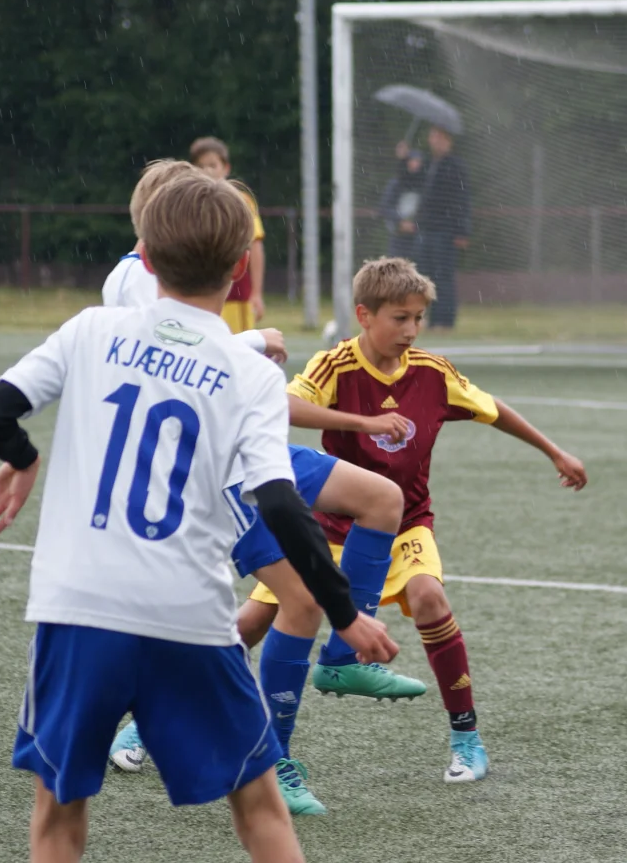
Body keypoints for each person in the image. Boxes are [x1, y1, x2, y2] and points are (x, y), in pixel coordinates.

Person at [0, 163, 397, 863]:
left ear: (146, 251)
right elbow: (280, 503)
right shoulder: (248, 372)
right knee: (260, 810)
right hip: (187, 616)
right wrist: (345, 616)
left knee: (59, 818)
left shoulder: (90, 330)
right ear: (239, 266)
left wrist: (21, 455)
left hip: (79, 609)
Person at [101, 160, 424, 816]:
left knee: (381, 501)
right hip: (218, 469)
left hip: (259, 447)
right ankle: (269, 760)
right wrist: (254, 339)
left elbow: (234, 379)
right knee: (296, 602)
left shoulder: (182, 280)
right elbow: (171, 364)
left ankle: (339, 656)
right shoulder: (137, 280)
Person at [248, 256, 588, 783]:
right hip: (330, 529)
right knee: (251, 623)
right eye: (398, 318)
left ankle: (467, 738)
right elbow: (284, 407)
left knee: (430, 596)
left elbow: (492, 408)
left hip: (405, 525)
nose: (410, 330)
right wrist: (363, 420)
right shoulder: (334, 364)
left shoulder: (432, 372)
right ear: (364, 314)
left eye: (417, 319)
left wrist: (554, 451)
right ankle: (148, 724)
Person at [190, 136, 265, 334]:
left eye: (212, 165)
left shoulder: (241, 201)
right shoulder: (189, 202)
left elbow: (255, 246)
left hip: (235, 292)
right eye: (201, 166)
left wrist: (256, 293)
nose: (207, 171)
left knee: (239, 349)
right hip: (199, 288)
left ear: (225, 168)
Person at [415, 127, 472, 330]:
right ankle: (426, 318)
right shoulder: (428, 164)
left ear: (448, 140)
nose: (435, 141)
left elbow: (462, 199)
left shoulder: (455, 166)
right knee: (424, 276)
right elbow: (410, 182)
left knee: (443, 276)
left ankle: (445, 320)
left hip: (445, 230)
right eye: (432, 136)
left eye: (439, 137)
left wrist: (462, 230)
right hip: (427, 229)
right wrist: (404, 160)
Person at [378, 142, 425, 260]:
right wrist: (400, 222)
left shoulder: (425, 185)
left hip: (420, 238)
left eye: (418, 161)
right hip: (399, 238)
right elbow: (385, 207)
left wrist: (417, 225)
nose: (415, 164)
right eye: (412, 160)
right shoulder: (396, 184)